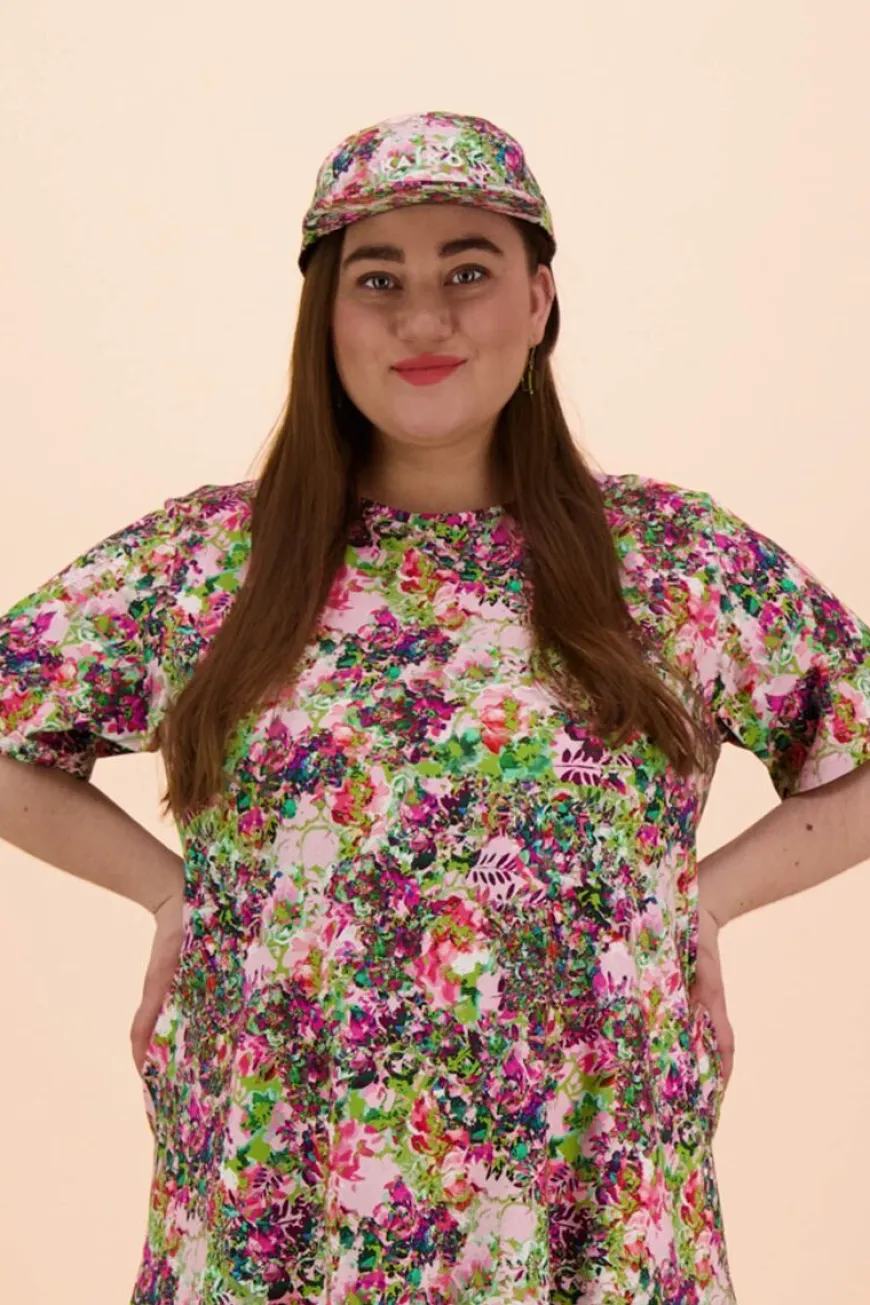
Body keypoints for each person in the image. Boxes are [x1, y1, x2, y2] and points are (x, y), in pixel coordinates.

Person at [1, 109, 869, 1305]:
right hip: (283, 1220)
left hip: (593, 1212)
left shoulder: (676, 561)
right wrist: (170, 890)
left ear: (539, 300)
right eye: (379, 280)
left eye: (468, 271)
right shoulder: (207, 564)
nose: (424, 320)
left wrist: (699, 899)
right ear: (326, 316)